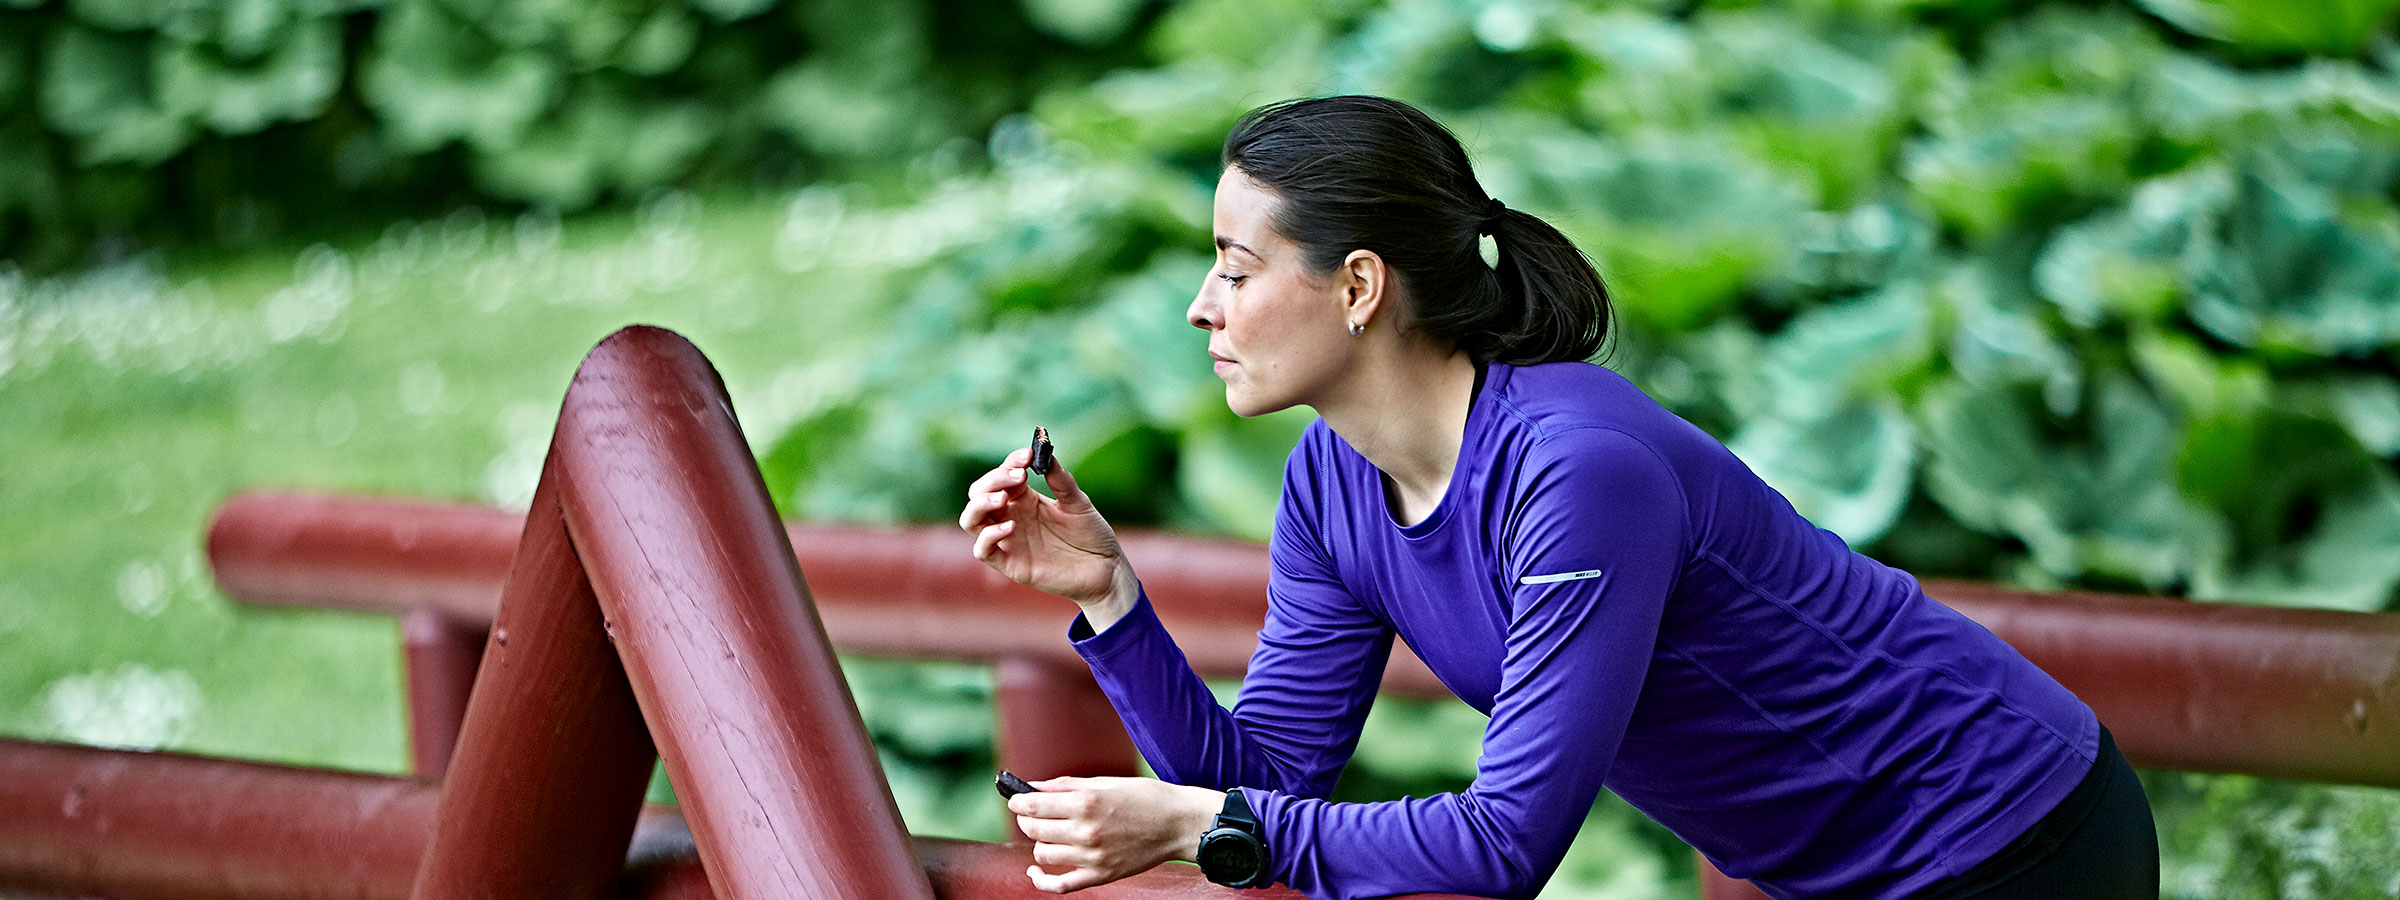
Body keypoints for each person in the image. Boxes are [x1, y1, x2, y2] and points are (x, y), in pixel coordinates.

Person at [957, 95, 2159, 900]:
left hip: (2011, 836)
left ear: (1359, 286)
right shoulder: (1333, 481)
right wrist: (1112, 598)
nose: (1200, 307)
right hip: (1830, 872)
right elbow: (1267, 779)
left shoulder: (1577, 473)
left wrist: (1189, 828)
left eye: (1235, 268)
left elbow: (1505, 844)